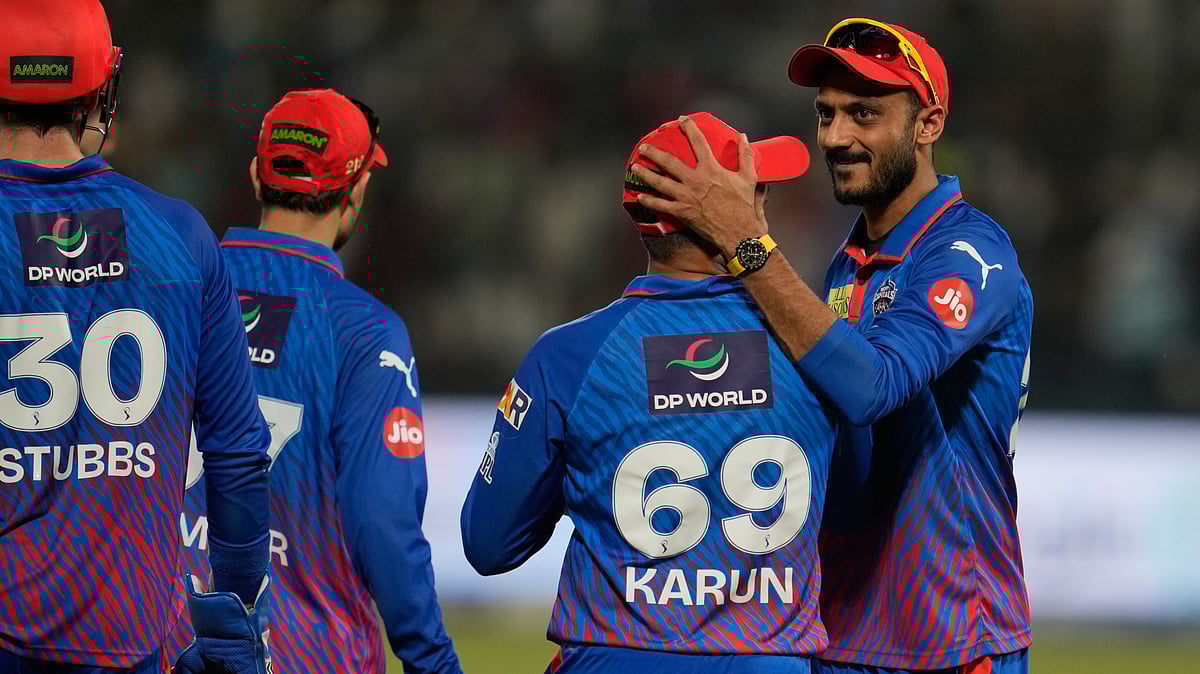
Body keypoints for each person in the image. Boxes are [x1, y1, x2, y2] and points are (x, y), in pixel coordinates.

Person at [629, 18, 1033, 674]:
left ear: (927, 125)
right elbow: (845, 447)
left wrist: (746, 244)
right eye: (826, 114)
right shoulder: (850, 263)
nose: (836, 137)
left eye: (865, 114)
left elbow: (873, 386)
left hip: (951, 639)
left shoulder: (970, 251)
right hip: (842, 632)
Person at [462, 112, 845, 674]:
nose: (763, 201)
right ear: (729, 213)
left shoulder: (568, 357)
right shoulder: (818, 351)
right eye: (754, 189)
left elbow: (489, 544)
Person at [0, 1, 272, 673]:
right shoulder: (180, 237)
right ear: (100, 91)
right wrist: (235, 613)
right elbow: (237, 455)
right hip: (133, 639)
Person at [168, 88, 463, 674]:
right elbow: (383, 524)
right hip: (309, 652)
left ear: (257, 174)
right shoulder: (365, 332)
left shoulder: (167, 291)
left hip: (166, 644)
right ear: (355, 192)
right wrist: (434, 662)